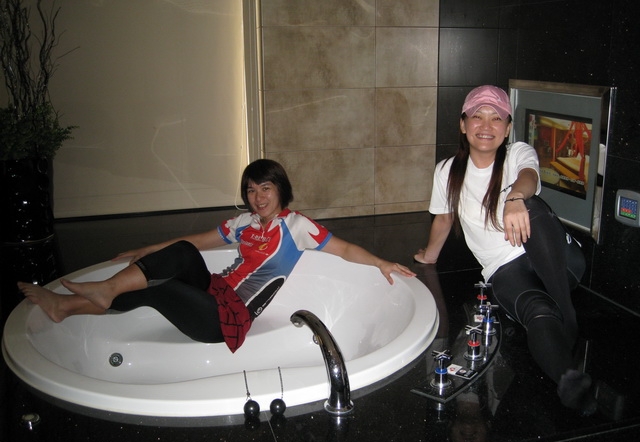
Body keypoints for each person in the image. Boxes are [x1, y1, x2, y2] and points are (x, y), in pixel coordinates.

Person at [18, 159, 415, 353]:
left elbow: (344, 248)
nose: (257, 197)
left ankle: (84, 299)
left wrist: (380, 262)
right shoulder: (244, 223)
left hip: (226, 319)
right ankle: (73, 304)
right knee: (183, 252)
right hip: (213, 291)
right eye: (251, 190)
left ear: (280, 189)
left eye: (265, 188)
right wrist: (144, 251)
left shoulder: (296, 226)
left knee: (159, 287)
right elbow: (196, 241)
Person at [414, 85, 595, 415]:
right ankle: (568, 380)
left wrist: (515, 198)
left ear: (508, 128)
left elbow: (529, 176)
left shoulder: (517, 154)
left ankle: (567, 314)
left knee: (532, 207)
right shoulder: (447, 171)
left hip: (557, 259)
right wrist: (430, 256)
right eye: (478, 117)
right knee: (537, 312)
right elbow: (444, 217)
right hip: (504, 269)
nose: (486, 126)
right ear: (463, 124)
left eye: (497, 118)